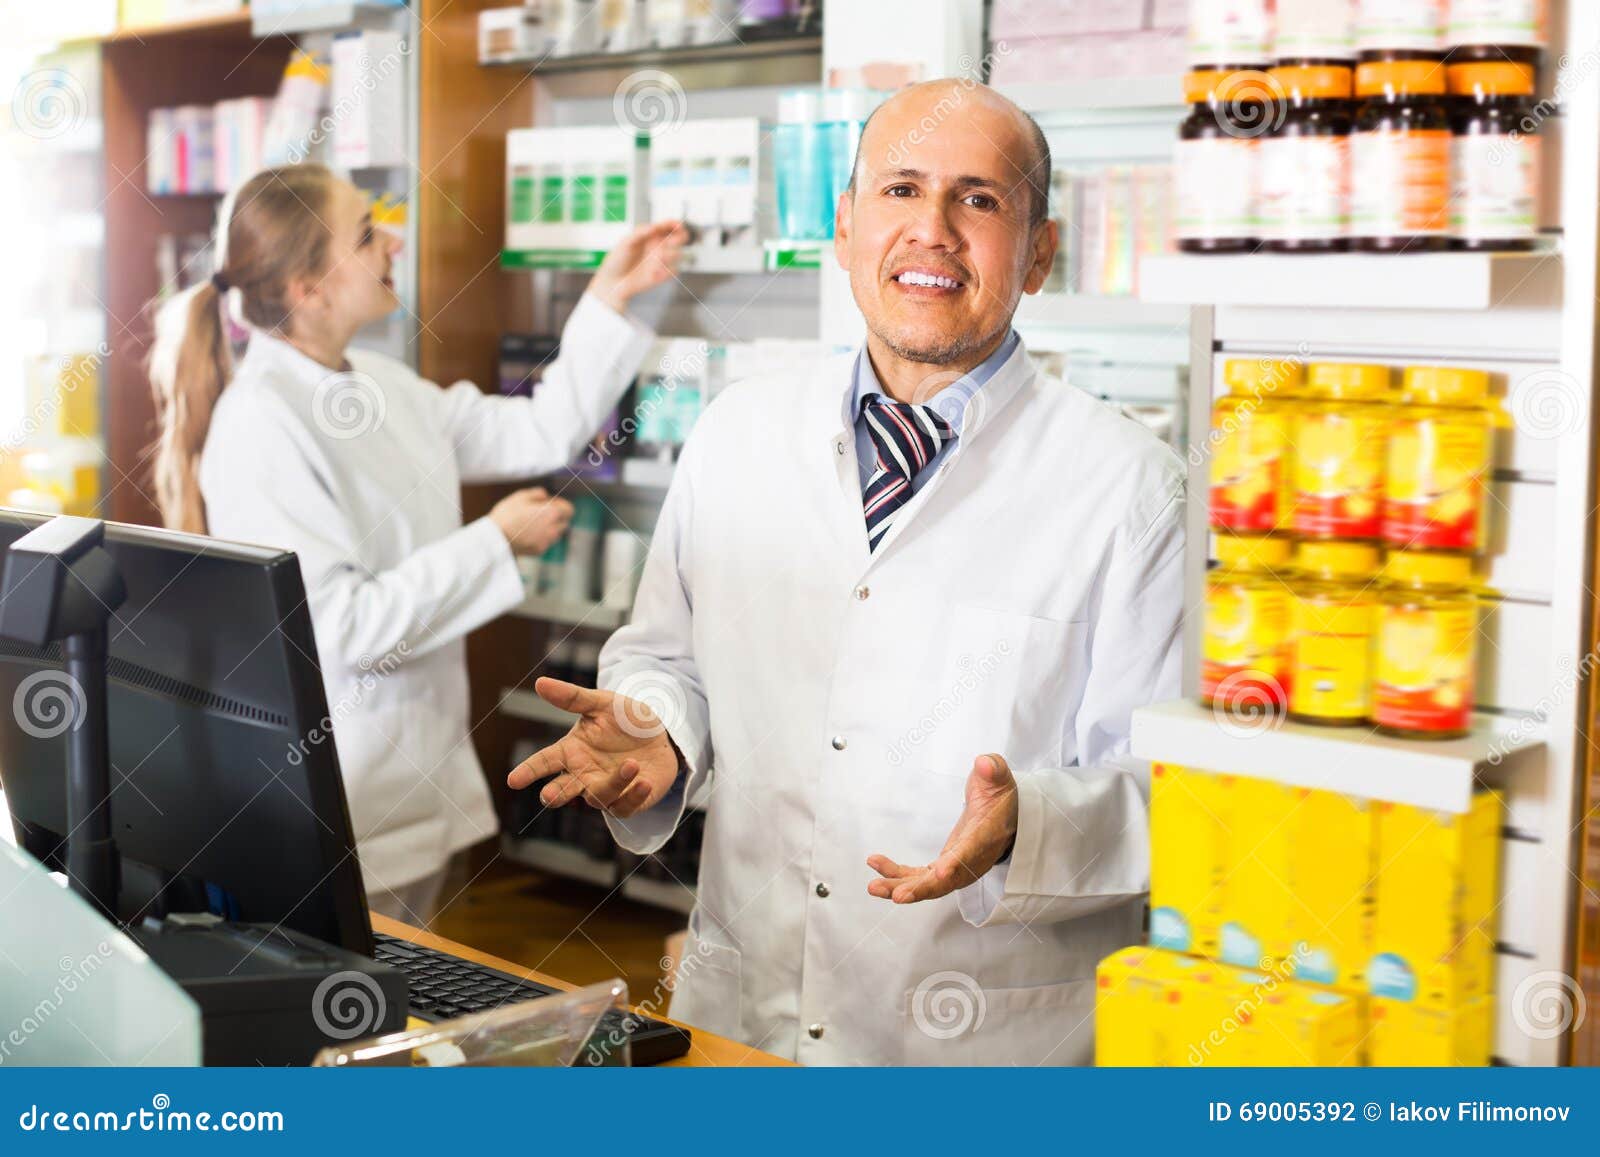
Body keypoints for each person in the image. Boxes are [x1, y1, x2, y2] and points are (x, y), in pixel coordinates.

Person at [508, 79, 1185, 1065]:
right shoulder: (739, 430)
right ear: (843, 225)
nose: (933, 231)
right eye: (899, 190)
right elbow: (665, 652)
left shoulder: (1131, 488)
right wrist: (656, 729)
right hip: (743, 1012)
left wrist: (1027, 825)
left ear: (1039, 251)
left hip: (981, 1042)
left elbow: (1176, 791)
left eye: (979, 200)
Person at [147, 163, 685, 923]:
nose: (393, 239)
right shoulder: (261, 424)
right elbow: (340, 627)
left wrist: (608, 298)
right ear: (308, 287)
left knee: (407, 1012)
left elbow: (539, 429)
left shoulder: (380, 383)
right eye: (367, 234)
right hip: (343, 801)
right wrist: (494, 541)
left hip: (414, 786)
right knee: (354, 1024)